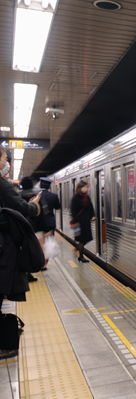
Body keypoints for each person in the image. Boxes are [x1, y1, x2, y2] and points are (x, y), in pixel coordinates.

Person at [0, 147, 41, 359]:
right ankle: (5, 343)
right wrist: (34, 207)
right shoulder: (1, 185)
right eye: (5, 158)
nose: (7, 162)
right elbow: (21, 208)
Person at [19, 176, 49, 281]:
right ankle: (34, 269)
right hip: (36, 229)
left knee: (24, 251)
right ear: (32, 185)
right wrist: (45, 229)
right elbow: (43, 214)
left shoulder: (17, 197)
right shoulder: (37, 196)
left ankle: (26, 273)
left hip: (21, 228)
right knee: (35, 250)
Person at [70, 180, 96, 262]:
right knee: (82, 239)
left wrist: (93, 215)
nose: (86, 189)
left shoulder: (86, 197)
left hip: (86, 221)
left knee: (88, 238)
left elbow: (90, 206)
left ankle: (79, 248)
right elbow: (73, 210)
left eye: (86, 187)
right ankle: (81, 256)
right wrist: (75, 221)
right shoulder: (75, 197)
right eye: (84, 187)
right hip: (79, 222)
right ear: (80, 188)